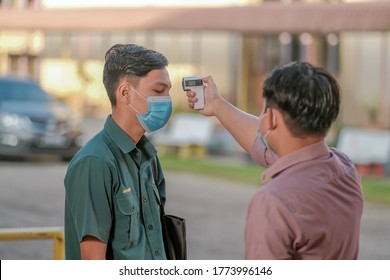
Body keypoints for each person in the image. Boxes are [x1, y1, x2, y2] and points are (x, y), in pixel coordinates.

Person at [186, 61, 363, 259]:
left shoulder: (274, 202)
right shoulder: (346, 169)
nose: (260, 118)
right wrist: (217, 105)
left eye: (263, 111)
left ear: (271, 118)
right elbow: (267, 145)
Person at [64, 44, 172, 260]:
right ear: (125, 93)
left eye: (169, 91)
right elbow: (93, 260)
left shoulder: (149, 158)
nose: (167, 100)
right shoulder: (95, 162)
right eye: (159, 91)